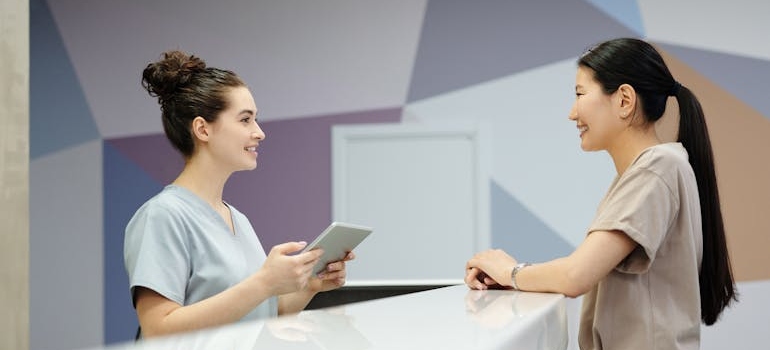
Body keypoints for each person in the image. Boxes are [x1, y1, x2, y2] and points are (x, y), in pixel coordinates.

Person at [464, 38, 737, 349]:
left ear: (624, 100)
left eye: (580, 94)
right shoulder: (654, 169)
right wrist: (515, 276)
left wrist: (511, 271)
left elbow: (576, 275)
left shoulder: (657, 168)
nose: (572, 113)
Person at [124, 50, 353, 338]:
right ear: (202, 129)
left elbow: (259, 313)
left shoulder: (238, 220)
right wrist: (265, 283)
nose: (259, 132)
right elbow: (158, 329)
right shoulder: (163, 215)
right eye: (245, 120)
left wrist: (311, 285)